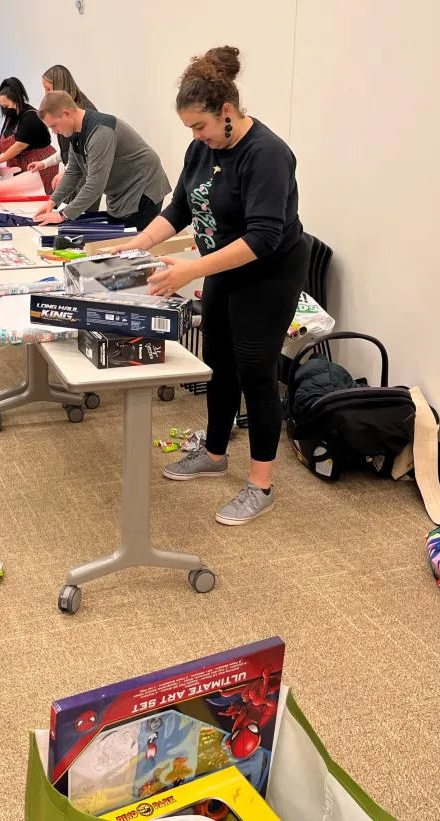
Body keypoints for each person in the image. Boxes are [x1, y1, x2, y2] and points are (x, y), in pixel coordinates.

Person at [119, 47, 309, 526]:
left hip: (268, 272)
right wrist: (139, 244)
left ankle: (260, 485)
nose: (196, 136)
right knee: (218, 362)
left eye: (200, 125)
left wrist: (191, 268)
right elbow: (181, 206)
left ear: (228, 112)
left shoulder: (267, 154)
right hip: (223, 266)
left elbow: (264, 236)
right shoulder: (202, 148)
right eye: (189, 129)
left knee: (256, 373)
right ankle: (215, 452)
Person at [34, 93, 170, 231]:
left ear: (67, 113)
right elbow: (73, 173)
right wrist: (52, 202)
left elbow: (95, 185)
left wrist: (63, 215)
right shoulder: (76, 133)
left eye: (54, 125)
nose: (54, 132)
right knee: (118, 240)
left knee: (129, 243)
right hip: (122, 192)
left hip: (143, 188)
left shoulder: (100, 132)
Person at [0, 77, 57, 194]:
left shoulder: (31, 117)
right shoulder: (10, 117)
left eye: (6, 106)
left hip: (37, 165)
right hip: (19, 165)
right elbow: (1, 143)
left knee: (34, 198)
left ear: (16, 100)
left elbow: (19, 145)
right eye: (2, 107)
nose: (4, 110)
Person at [27, 66, 96, 191]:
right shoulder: (64, 112)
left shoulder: (82, 112)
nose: (45, 94)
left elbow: (83, 153)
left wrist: (66, 172)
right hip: (73, 175)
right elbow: (68, 150)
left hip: (83, 179)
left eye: (48, 89)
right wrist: (45, 163)